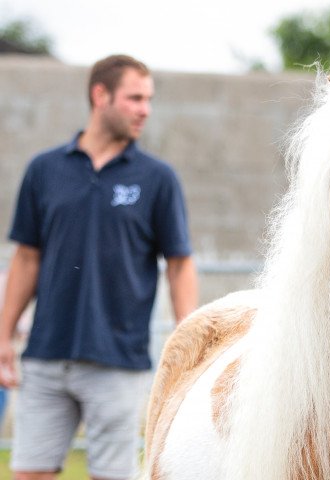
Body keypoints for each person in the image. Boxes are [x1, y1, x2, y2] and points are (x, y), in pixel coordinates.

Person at [0, 54, 199, 480]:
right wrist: (3, 336)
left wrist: (190, 344)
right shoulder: (44, 170)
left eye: (148, 99)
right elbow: (26, 258)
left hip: (118, 363)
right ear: (100, 95)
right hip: (45, 358)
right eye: (134, 98)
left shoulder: (157, 178)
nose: (145, 109)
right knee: (28, 474)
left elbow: (180, 264)